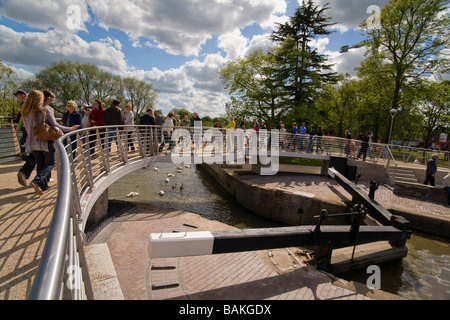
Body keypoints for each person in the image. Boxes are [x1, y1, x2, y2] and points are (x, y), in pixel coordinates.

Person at [21, 90, 79, 195]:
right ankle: (36, 181)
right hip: (45, 140)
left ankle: (43, 186)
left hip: (32, 141)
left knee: (40, 163)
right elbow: (55, 125)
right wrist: (70, 128)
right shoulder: (45, 110)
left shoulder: (25, 112)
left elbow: (26, 128)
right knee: (51, 163)